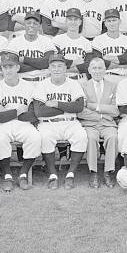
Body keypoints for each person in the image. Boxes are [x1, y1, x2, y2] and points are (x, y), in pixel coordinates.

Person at [33, 54, 88, 190]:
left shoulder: (73, 84)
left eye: (60, 66)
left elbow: (79, 107)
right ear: (49, 68)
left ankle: (71, 174)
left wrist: (56, 103)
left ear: (65, 68)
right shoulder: (42, 85)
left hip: (70, 122)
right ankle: (53, 175)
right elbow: (40, 112)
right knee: (45, 137)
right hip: (48, 123)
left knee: (81, 136)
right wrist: (67, 107)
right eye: (53, 66)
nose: (56, 69)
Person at [0, 52, 42, 193]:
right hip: (2, 125)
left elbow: (32, 115)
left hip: (24, 124)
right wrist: (17, 111)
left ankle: (23, 174)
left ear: (18, 67)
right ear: (1, 69)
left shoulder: (29, 87)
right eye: (5, 67)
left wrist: (6, 111)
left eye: (11, 66)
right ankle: (7, 176)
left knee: (35, 138)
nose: (8, 70)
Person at [77, 57, 119, 189]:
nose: (97, 71)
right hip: (90, 124)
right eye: (94, 68)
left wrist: (95, 106)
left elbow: (116, 110)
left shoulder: (113, 86)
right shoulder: (82, 86)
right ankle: (93, 172)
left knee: (113, 137)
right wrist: (101, 115)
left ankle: (108, 172)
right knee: (91, 138)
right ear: (89, 70)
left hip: (108, 124)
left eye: (100, 67)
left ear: (105, 69)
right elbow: (80, 111)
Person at [4, 10, 56, 83]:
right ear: (24, 24)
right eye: (29, 23)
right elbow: (12, 65)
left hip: (42, 82)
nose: (31, 25)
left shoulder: (46, 41)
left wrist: (25, 60)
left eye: (35, 23)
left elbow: (48, 62)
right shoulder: (15, 41)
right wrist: (39, 65)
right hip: (22, 82)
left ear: (39, 25)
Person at [91, 8, 127, 84]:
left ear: (119, 21)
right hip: (105, 77)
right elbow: (98, 63)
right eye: (109, 21)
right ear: (105, 23)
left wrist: (109, 58)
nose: (112, 23)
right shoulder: (98, 40)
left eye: (114, 20)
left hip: (124, 78)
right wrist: (121, 65)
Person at [52, 8, 92, 82]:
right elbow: (55, 62)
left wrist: (65, 68)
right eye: (70, 19)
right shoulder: (57, 40)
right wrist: (75, 62)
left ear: (80, 22)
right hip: (63, 79)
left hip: (81, 79)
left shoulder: (86, 43)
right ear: (66, 21)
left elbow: (88, 65)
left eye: (76, 19)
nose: (73, 22)